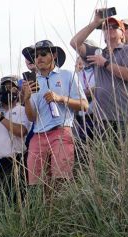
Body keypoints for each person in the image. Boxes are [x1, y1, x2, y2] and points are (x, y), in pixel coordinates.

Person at [20, 40, 88, 187]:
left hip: (61, 131)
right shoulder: (31, 82)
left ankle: (62, 210)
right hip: (38, 135)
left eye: (43, 54)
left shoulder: (67, 75)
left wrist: (60, 98)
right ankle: (46, 210)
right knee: (35, 185)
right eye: (35, 56)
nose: (39, 58)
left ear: (54, 55)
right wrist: (25, 100)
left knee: (61, 180)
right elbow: (32, 118)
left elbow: (84, 105)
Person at [70, 14, 128, 135]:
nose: (109, 28)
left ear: (122, 33)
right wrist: (95, 23)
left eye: (114, 26)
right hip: (104, 119)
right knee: (109, 153)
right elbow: (74, 43)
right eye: (106, 27)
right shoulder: (97, 52)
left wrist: (105, 63)